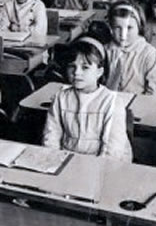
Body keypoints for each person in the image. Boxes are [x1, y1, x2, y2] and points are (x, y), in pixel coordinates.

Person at [42, 32, 132, 160]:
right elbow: (51, 137)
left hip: (101, 165)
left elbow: (112, 151)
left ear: (99, 72)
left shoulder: (112, 102)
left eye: (85, 67)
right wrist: (52, 160)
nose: (77, 73)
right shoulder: (60, 98)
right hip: (67, 160)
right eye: (72, 67)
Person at [106, 2, 156, 95]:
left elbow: (154, 95)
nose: (123, 34)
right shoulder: (104, 51)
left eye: (129, 28)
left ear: (139, 27)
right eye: (117, 27)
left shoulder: (151, 56)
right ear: (111, 28)